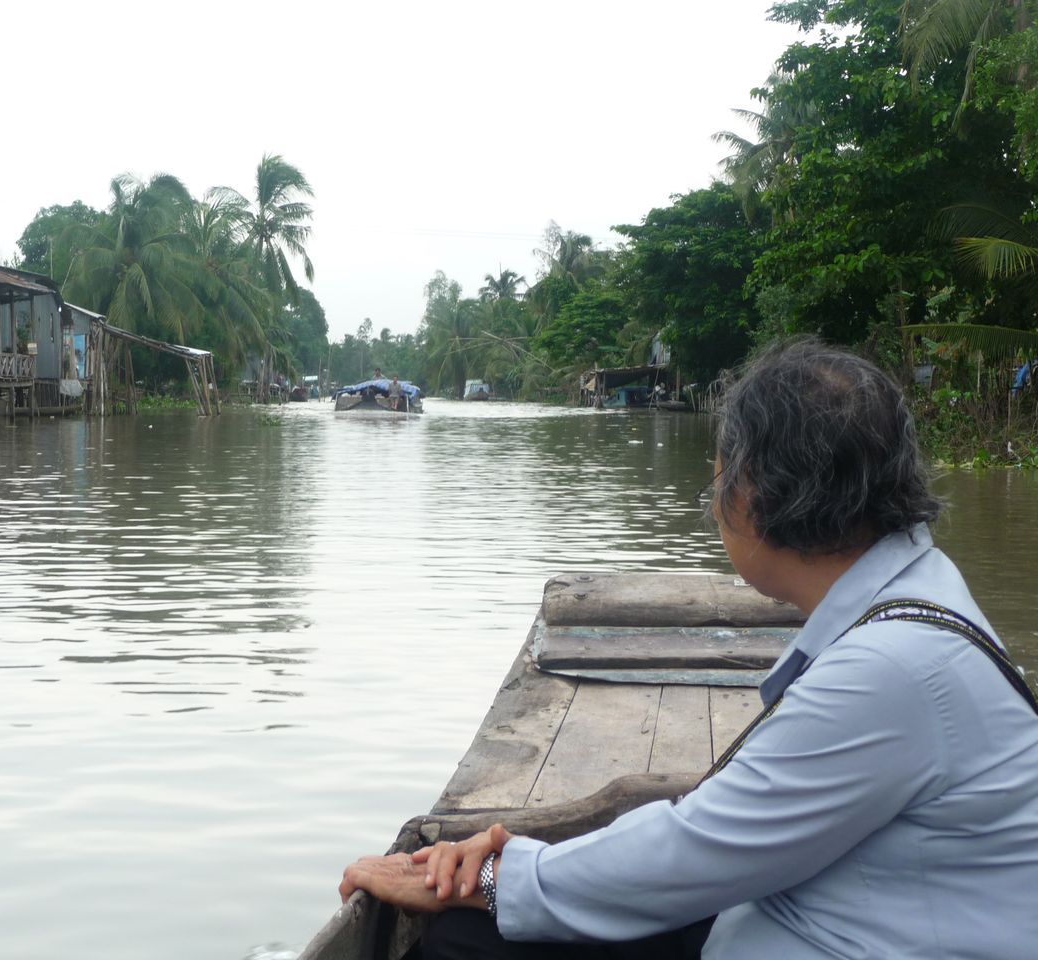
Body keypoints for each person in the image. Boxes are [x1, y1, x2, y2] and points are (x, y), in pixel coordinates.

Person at [339, 338, 1038, 959]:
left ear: (753, 494)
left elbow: (697, 849)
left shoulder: (891, 668)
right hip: (821, 920)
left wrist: (493, 878)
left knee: (468, 938)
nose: (714, 498)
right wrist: (523, 864)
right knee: (479, 935)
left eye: (717, 477)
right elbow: (720, 827)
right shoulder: (919, 594)